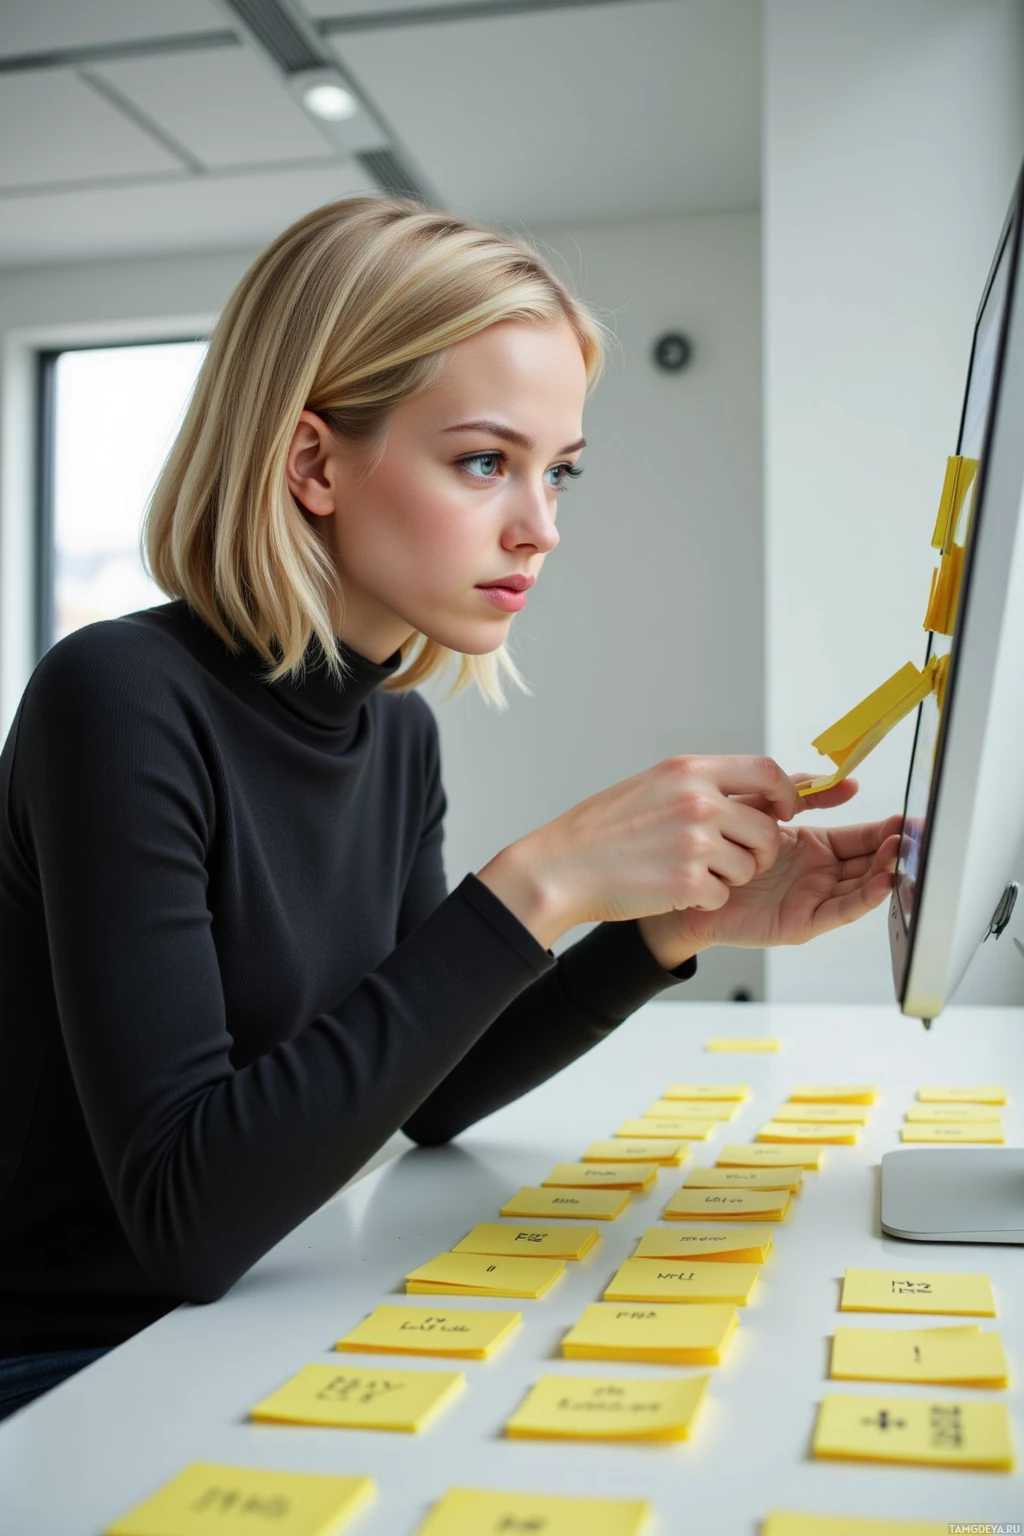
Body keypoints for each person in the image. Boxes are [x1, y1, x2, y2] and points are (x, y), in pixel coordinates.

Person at [0, 196, 900, 1421]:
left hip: (262, 1324)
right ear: (312, 463)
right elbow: (183, 1218)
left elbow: (422, 1092)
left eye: (559, 471)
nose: (540, 527)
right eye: (485, 462)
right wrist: (538, 884)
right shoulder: (115, 697)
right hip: (72, 1374)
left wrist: (662, 932)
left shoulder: (396, 731)